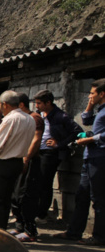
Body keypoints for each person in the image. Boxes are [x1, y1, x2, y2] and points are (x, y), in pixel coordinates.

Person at [54, 79, 105, 245]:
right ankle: (74, 232)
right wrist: (90, 105)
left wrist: (91, 139)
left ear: (102, 94)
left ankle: (99, 237)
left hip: (99, 158)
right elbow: (86, 120)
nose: (89, 96)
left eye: (92, 94)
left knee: (98, 199)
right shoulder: (100, 110)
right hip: (89, 157)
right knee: (81, 196)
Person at [0, 91, 36, 230]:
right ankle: (1, 230)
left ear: (4, 104)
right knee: (6, 200)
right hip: (17, 163)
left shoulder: (10, 119)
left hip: (2, 163)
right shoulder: (29, 118)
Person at [34, 89, 83, 223]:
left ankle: (42, 214)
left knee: (45, 182)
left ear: (48, 102)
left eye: (39, 103)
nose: (36, 106)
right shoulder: (40, 115)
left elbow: (77, 131)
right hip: (38, 151)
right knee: (35, 182)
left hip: (50, 154)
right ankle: (36, 211)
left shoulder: (61, 116)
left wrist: (60, 144)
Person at [10, 93, 45, 241]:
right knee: (16, 196)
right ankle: (20, 226)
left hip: (29, 161)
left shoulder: (34, 118)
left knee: (26, 195)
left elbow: (36, 139)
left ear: (21, 105)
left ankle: (30, 230)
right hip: (19, 159)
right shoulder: (22, 119)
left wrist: (26, 159)